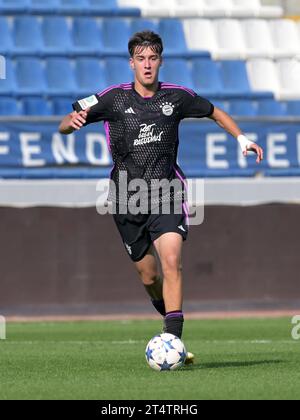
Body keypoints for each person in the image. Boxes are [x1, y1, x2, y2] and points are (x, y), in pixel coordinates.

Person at [59, 31, 263, 365]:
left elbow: (214, 112)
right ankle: (165, 318)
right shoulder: (112, 99)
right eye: (141, 58)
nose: (147, 64)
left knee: (171, 262)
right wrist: (72, 122)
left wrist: (242, 138)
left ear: (160, 61)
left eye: (153, 58)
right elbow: (66, 123)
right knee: (150, 276)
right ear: (132, 63)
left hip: (167, 191)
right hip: (126, 197)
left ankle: (173, 341)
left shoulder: (176, 97)